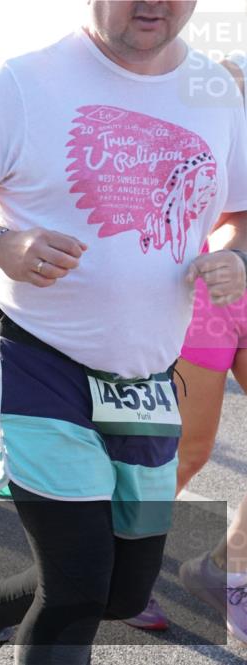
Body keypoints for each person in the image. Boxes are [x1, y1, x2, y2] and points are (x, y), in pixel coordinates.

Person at [0, 2, 247, 662]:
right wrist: (0, 241)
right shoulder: (24, 81)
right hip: (38, 357)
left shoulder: (216, 91)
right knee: (79, 586)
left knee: (119, 589)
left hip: (146, 380)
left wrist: (235, 255)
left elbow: (240, 214)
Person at [122, 53, 247, 637]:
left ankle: (226, 571)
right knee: (189, 451)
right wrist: (226, 255)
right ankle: (127, 568)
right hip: (214, 299)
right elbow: (218, 218)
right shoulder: (200, 131)